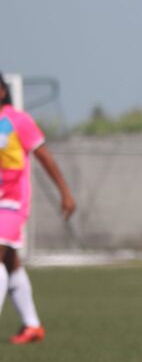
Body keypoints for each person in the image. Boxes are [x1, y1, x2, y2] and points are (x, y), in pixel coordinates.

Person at [0, 72, 76, 344]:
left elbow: (44, 156)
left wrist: (65, 192)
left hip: (12, 202)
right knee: (11, 263)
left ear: (2, 91)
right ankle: (32, 325)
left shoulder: (17, 120)